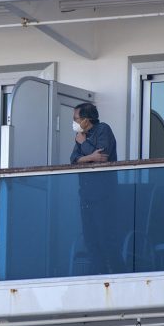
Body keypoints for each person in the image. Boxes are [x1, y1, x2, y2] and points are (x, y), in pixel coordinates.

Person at [69, 103, 122, 274]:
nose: (74, 122)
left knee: (106, 239)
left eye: (76, 119)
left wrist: (85, 146)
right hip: (86, 196)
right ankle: (97, 274)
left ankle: (117, 273)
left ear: (86, 119)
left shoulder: (103, 130)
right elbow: (73, 159)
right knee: (90, 240)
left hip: (104, 196)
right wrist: (90, 156)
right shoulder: (80, 136)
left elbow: (103, 157)